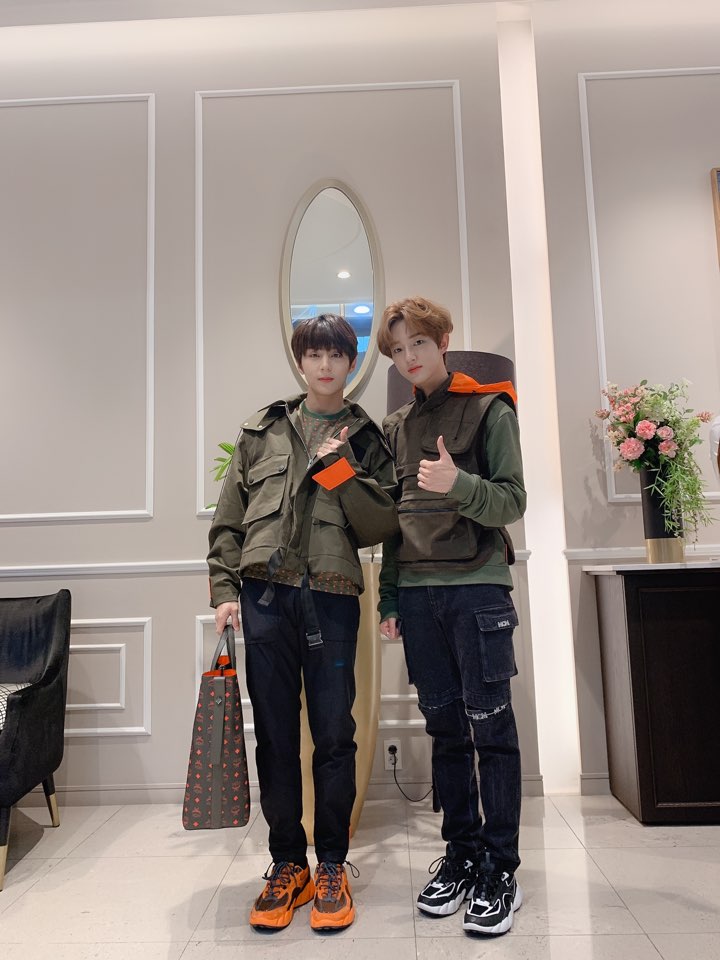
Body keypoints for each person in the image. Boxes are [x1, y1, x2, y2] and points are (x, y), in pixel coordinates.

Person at [208, 314, 398, 933]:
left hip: (333, 599)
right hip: (265, 599)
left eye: (335, 355)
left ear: (352, 362)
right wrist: (224, 591)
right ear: (300, 361)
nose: (324, 366)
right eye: (314, 355)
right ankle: (288, 864)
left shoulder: (365, 436)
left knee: (334, 735)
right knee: (275, 737)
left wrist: (340, 469)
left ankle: (332, 866)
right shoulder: (261, 430)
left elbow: (381, 524)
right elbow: (229, 519)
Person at [376, 296, 527, 937]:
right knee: (444, 731)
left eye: (418, 343)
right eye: (398, 349)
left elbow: (512, 501)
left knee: (491, 730)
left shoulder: (491, 409)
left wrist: (457, 484)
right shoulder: (394, 427)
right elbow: (393, 524)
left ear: (442, 341)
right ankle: (462, 855)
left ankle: (500, 868)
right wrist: (389, 598)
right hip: (418, 596)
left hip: (477, 590)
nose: (409, 357)